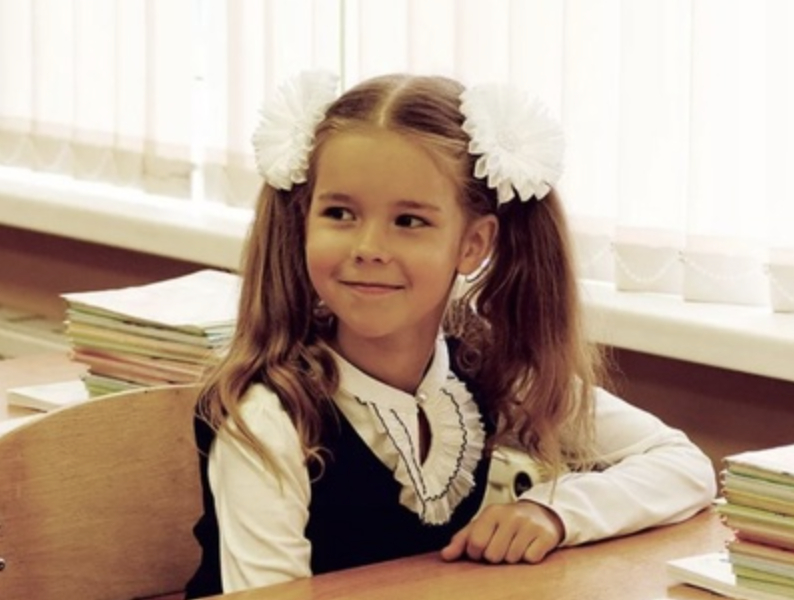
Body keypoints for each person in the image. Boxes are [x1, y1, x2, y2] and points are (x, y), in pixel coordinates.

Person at [184, 71, 716, 598]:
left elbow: (682, 466)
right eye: (340, 213)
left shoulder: (484, 373)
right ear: (303, 223)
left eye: (409, 221)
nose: (368, 246)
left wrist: (552, 513)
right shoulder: (269, 416)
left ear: (473, 243)